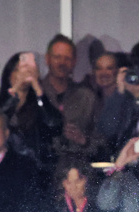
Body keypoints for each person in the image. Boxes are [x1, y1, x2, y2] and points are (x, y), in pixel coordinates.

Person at [40, 34, 98, 164]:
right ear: (47, 59)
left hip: (76, 173)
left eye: (67, 58)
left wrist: (83, 140)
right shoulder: (34, 94)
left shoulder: (86, 98)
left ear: (74, 62)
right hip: (40, 172)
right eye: (57, 57)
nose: (62, 63)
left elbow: (101, 143)